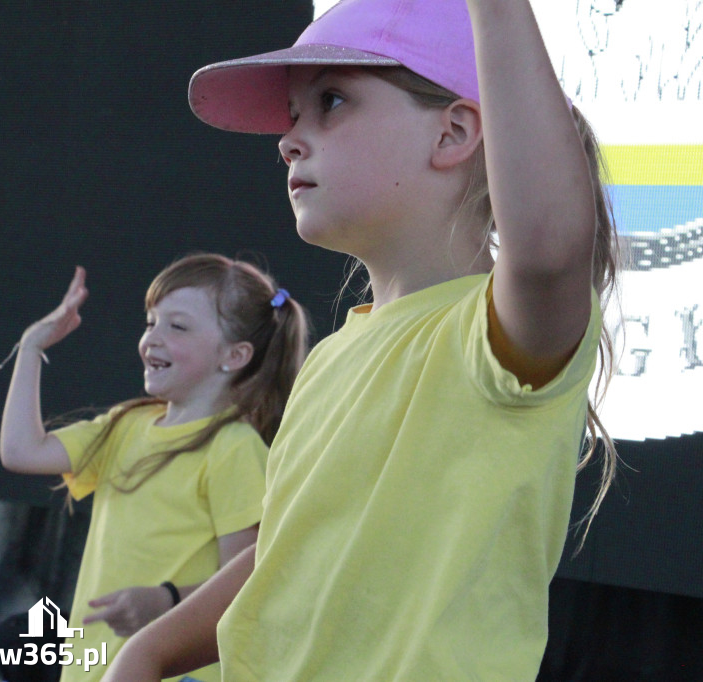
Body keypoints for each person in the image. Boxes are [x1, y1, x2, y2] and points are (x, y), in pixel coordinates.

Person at [104, 0, 621, 679]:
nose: (290, 139)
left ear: (454, 133)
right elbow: (288, 554)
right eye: (294, 115)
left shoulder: (494, 339)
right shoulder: (329, 360)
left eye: (333, 101)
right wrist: (148, 652)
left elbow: (551, 249)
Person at [0, 253, 309, 682]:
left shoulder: (233, 450)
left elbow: (242, 587)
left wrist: (164, 601)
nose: (152, 338)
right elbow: (21, 451)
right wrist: (31, 348)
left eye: (176, 326)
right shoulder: (126, 425)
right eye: (150, 323)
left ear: (235, 355)